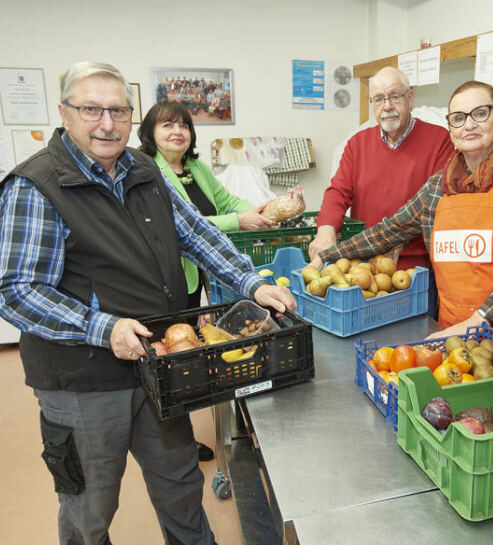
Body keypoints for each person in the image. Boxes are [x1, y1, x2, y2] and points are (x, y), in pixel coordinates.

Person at [0, 61, 296, 545]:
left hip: (159, 365)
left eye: (118, 110)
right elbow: (15, 290)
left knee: (179, 480)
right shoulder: (36, 186)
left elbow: (196, 232)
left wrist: (249, 282)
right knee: (89, 504)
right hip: (83, 382)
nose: (107, 123)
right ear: (64, 113)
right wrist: (103, 328)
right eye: (91, 109)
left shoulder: (144, 170)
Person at [312, 81, 493, 333]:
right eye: (459, 118)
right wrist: (327, 256)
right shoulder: (437, 187)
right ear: (450, 129)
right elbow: (387, 231)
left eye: (481, 114)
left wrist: (477, 321)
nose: (469, 125)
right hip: (447, 332)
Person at [138, 101, 275, 462]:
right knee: (168, 356)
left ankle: (178, 434)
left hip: (195, 275)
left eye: (183, 125)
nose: (177, 132)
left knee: (184, 350)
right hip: (165, 278)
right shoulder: (148, 172)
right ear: (150, 133)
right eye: (167, 125)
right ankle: (171, 441)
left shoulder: (196, 168)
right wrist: (238, 222)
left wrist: (257, 211)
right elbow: (185, 227)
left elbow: (226, 200)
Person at [308, 66, 454, 270]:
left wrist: (397, 240)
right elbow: (338, 192)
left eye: (394, 96)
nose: (387, 106)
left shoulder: (439, 140)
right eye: (378, 99)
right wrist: (325, 230)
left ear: (409, 98)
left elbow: (437, 205)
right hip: (364, 262)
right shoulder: (357, 144)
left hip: (417, 266)